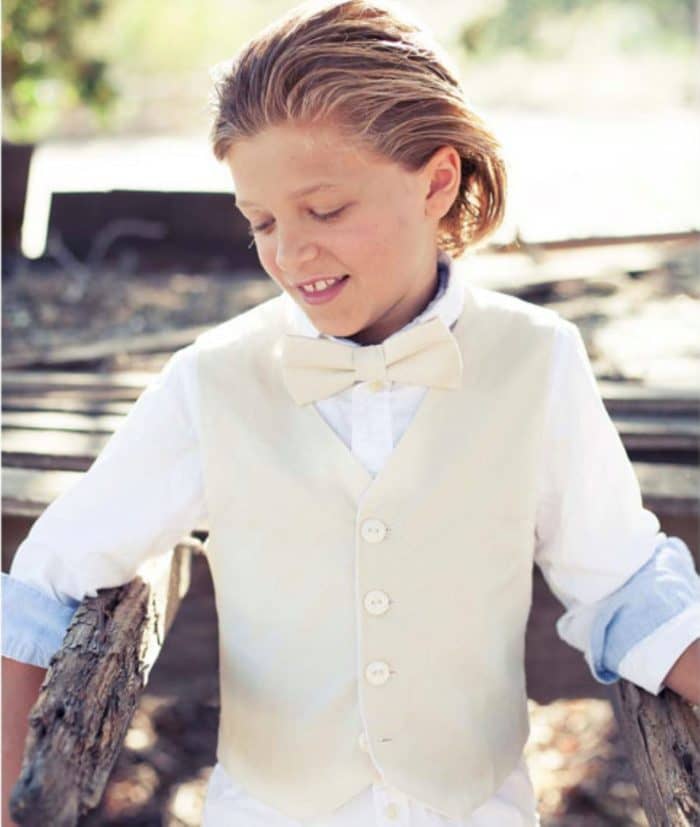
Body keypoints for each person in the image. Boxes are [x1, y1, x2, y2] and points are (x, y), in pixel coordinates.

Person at [3, 1, 700, 825]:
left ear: (437, 182)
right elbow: (47, 583)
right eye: (261, 223)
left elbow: (620, 577)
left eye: (325, 210)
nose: (291, 254)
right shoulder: (211, 382)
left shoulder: (537, 359)